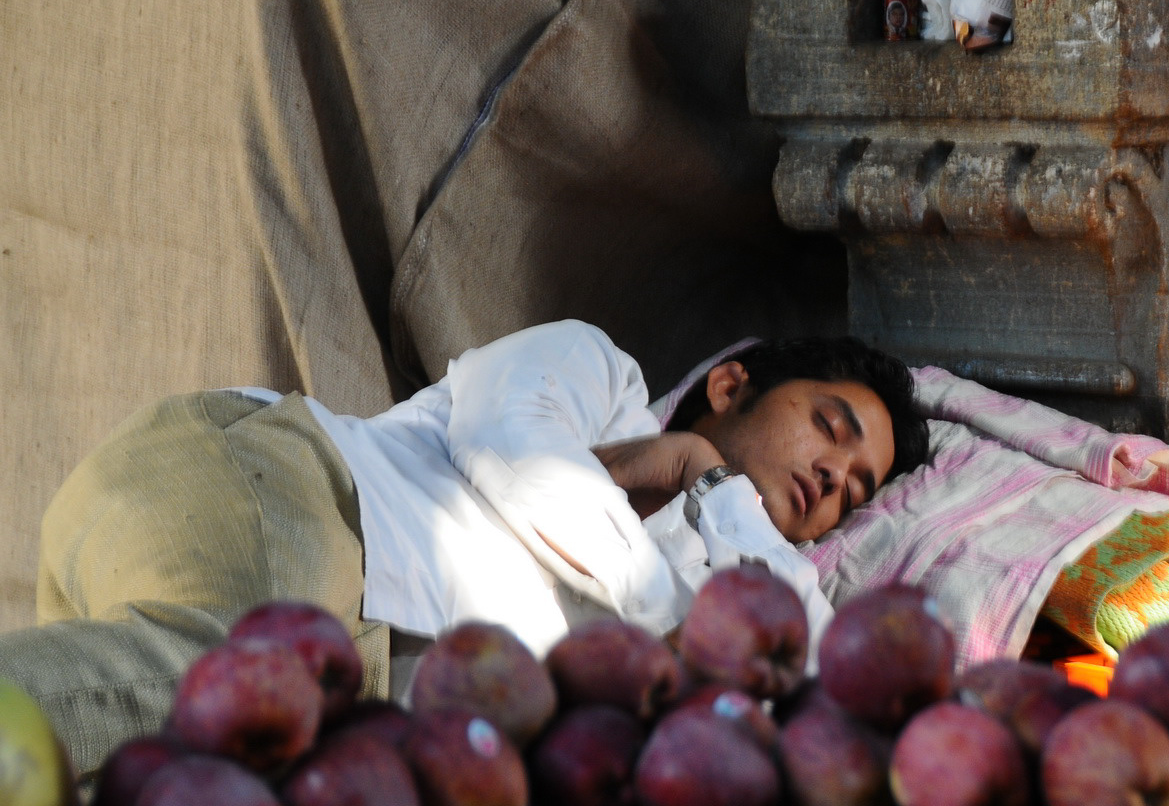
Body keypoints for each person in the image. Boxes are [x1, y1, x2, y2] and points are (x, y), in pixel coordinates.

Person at [0, 320, 928, 775]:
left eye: (854, 489)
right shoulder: (600, 378)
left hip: (329, 688)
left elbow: (812, 683)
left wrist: (717, 501)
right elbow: (515, 454)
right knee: (242, 677)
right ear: (731, 385)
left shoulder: (767, 572)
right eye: (831, 427)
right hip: (292, 495)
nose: (832, 477)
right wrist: (681, 620)